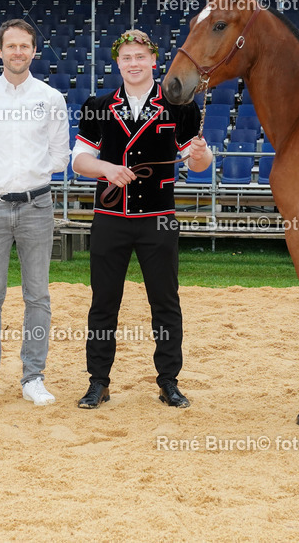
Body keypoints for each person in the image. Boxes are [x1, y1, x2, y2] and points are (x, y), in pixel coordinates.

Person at [72, 29, 213, 410]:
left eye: (140, 57)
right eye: (126, 58)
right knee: (103, 303)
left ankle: (168, 380)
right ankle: (98, 382)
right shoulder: (98, 105)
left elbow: (199, 165)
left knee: (165, 302)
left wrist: (201, 153)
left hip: (159, 219)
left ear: (154, 61)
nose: (133, 64)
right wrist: (107, 168)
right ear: (117, 63)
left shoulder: (180, 107)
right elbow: (79, 161)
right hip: (110, 217)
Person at [0, 19, 70, 406]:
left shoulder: (52, 99)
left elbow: (60, 157)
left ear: (34, 51)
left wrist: (28, 171)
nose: (18, 52)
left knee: (37, 295)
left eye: (25, 46)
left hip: (37, 206)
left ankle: (33, 378)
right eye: (11, 46)